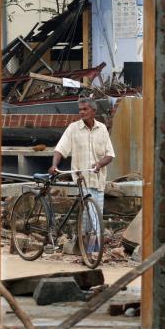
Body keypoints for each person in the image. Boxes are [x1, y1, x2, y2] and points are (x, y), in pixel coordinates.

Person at [49, 97, 115, 252]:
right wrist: (54, 165)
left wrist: (99, 164)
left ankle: (89, 250)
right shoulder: (73, 128)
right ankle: (93, 251)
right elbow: (60, 148)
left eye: (85, 109)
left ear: (94, 110)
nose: (82, 112)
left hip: (98, 180)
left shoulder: (102, 129)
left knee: (93, 215)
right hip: (82, 179)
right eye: (80, 110)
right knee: (90, 214)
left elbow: (110, 155)